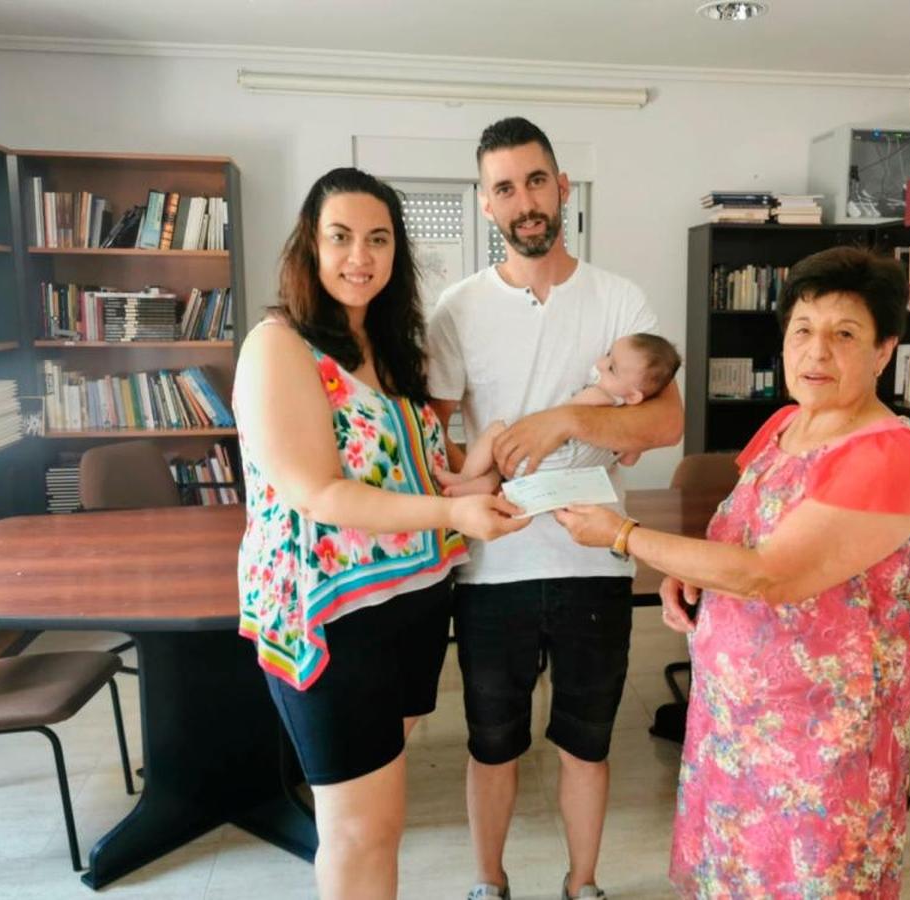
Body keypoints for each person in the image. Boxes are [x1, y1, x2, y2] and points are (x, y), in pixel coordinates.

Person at [555, 246, 910, 898]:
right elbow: (740, 534)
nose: (816, 352)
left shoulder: (889, 454)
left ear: (884, 352)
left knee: (809, 879)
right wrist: (697, 575)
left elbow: (771, 574)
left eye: (843, 334)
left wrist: (624, 535)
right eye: (802, 331)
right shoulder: (785, 424)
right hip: (735, 721)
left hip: (821, 737)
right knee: (733, 875)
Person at [233, 166, 528, 900]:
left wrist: (478, 471)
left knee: (375, 814)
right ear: (310, 244)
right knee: (362, 829)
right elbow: (321, 493)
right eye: (340, 237)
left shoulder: (395, 349)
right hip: (335, 613)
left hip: (414, 602)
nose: (358, 256)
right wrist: (454, 513)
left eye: (377, 239)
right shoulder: (279, 346)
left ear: (397, 252)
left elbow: (418, 479)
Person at [426, 117, 684, 900]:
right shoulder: (457, 308)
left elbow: (664, 422)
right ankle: (488, 884)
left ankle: (583, 885)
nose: (525, 201)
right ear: (485, 204)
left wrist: (568, 420)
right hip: (490, 567)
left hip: (592, 558)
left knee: (587, 743)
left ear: (562, 186)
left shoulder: (619, 299)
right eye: (505, 187)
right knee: (491, 745)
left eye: (537, 181)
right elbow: (432, 445)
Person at [439, 332, 682, 495]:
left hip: (540, 458)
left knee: (497, 431)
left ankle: (466, 477)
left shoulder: (599, 396)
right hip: (557, 480)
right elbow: (629, 460)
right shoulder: (630, 430)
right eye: (608, 353)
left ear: (632, 396)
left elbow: (560, 417)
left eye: (611, 367)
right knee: (501, 473)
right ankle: (481, 484)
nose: (600, 363)